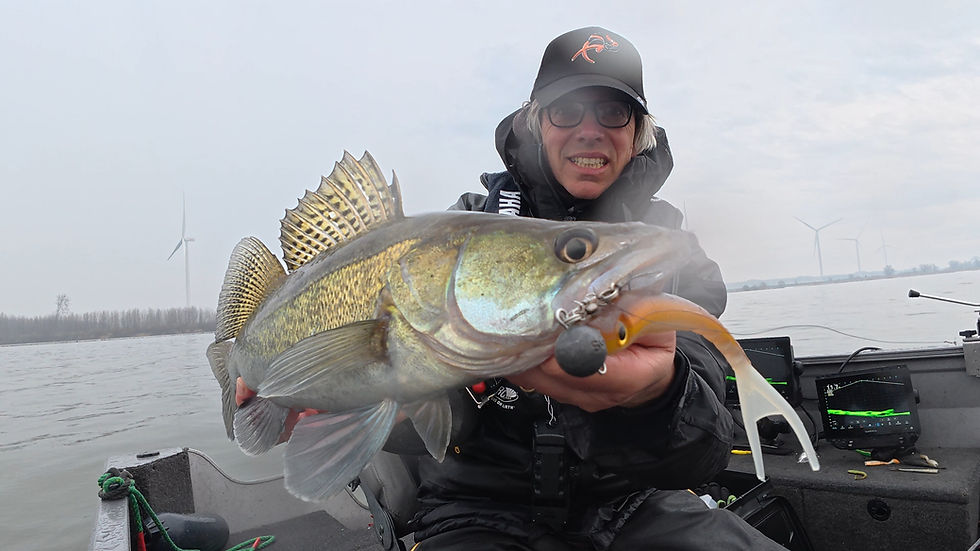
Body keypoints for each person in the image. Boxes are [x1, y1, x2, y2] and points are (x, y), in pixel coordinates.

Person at [405, 27, 786, 550]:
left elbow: (701, 452)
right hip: (477, 506)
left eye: (613, 113)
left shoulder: (671, 250)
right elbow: (411, 416)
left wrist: (658, 394)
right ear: (537, 125)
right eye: (567, 111)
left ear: (638, 134)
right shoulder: (464, 233)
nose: (590, 130)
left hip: (635, 501)